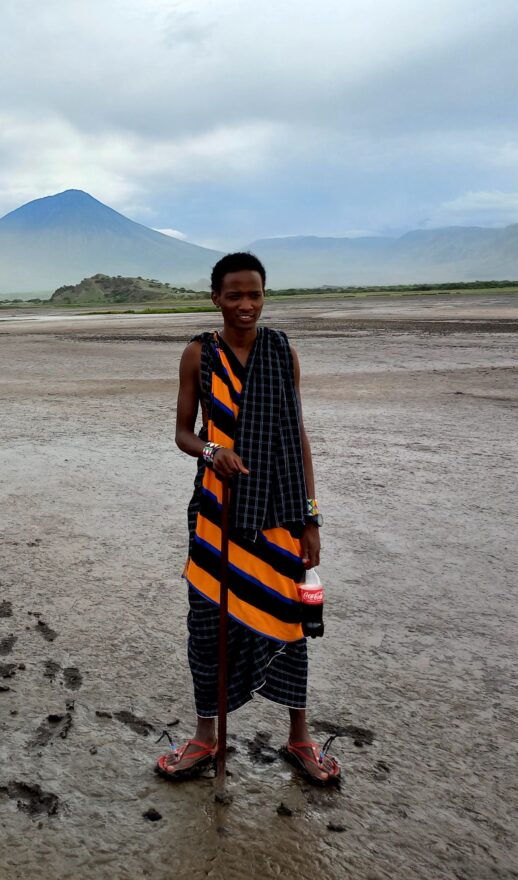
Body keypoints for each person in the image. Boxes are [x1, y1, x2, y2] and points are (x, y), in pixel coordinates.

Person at [155, 252, 340, 785]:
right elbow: (183, 434)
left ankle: (299, 737)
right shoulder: (199, 354)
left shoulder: (283, 352)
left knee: (289, 623)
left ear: (265, 296)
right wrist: (213, 452)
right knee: (209, 624)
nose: (245, 305)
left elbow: (297, 434)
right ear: (215, 297)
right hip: (218, 512)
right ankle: (206, 738)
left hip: (279, 512)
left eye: (254, 295)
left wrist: (310, 517)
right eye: (233, 295)